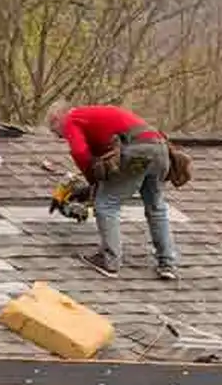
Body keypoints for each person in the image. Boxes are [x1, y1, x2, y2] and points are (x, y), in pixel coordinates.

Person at [46, 100, 179, 280]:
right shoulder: (92, 118)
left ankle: (109, 261)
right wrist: (92, 186)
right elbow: (109, 165)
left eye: (56, 132)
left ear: (57, 119)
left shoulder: (71, 119)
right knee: (156, 207)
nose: (60, 138)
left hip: (138, 154)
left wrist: (92, 181)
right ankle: (167, 263)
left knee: (106, 205)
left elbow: (79, 153)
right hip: (160, 150)